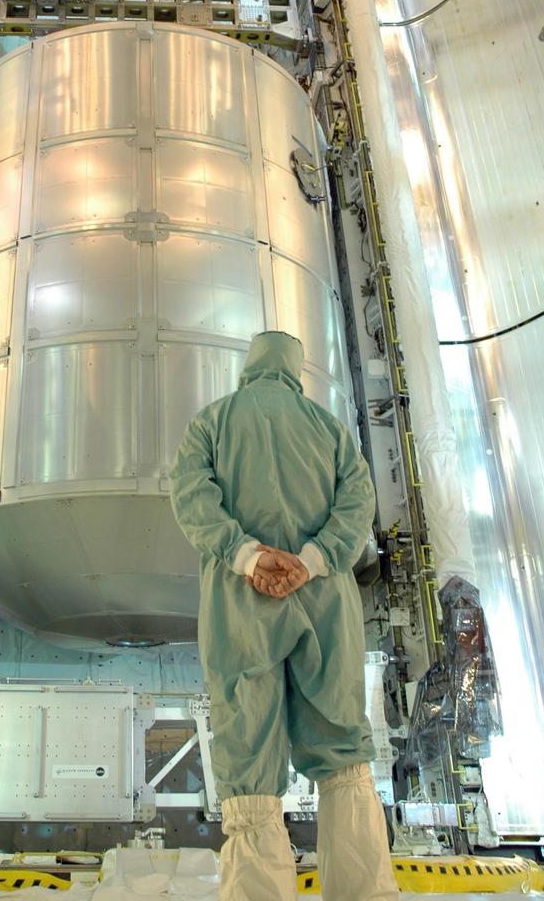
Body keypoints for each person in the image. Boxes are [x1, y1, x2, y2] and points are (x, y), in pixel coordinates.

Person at [169, 330, 399, 901]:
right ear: (296, 370)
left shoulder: (211, 422)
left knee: (247, 747)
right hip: (324, 603)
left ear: (249, 368)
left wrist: (248, 557)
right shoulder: (329, 429)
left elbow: (191, 497)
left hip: (240, 607)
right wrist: (314, 560)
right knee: (343, 749)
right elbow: (358, 501)